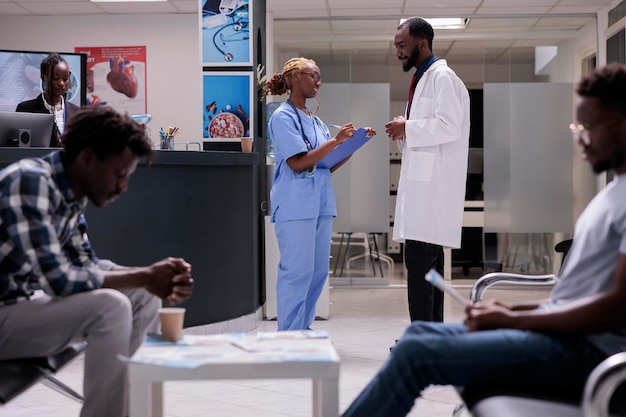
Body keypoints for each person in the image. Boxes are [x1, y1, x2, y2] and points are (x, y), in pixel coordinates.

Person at [341, 62, 626, 417]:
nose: (580, 138)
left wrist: (515, 320)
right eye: (576, 126)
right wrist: (509, 309)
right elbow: (575, 298)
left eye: (588, 127)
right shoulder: (613, 193)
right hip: (563, 336)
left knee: (417, 354)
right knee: (416, 337)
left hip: (590, 353)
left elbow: (616, 306)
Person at [0, 106, 194, 417]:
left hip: (17, 303)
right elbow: (60, 281)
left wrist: (155, 276)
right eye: (119, 174)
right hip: (5, 311)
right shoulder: (31, 181)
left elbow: (86, 264)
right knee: (111, 306)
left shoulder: (69, 192)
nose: (123, 186)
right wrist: (145, 274)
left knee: (144, 296)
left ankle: (128, 410)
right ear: (88, 159)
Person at [263, 57, 375, 331]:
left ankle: (303, 328)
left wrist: (354, 144)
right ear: (295, 78)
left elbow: (327, 164)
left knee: (316, 273)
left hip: (321, 203)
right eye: (313, 76)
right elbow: (298, 162)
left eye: (319, 77)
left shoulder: (317, 122)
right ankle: (289, 334)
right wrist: (336, 141)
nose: (318, 82)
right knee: (296, 272)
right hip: (295, 204)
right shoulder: (283, 117)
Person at [385, 17, 470, 323]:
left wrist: (406, 126)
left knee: (420, 270)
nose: (398, 53)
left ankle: (422, 338)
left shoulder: (442, 77)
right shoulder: (423, 78)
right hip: (424, 191)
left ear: (422, 43)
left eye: (402, 46)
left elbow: (450, 126)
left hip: (431, 193)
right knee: (428, 270)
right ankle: (433, 335)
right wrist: (404, 131)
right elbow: (426, 133)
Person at [16, 52, 81, 147]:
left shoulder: (77, 112)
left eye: (66, 78)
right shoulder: (25, 109)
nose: (61, 83)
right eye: (55, 78)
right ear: (43, 77)